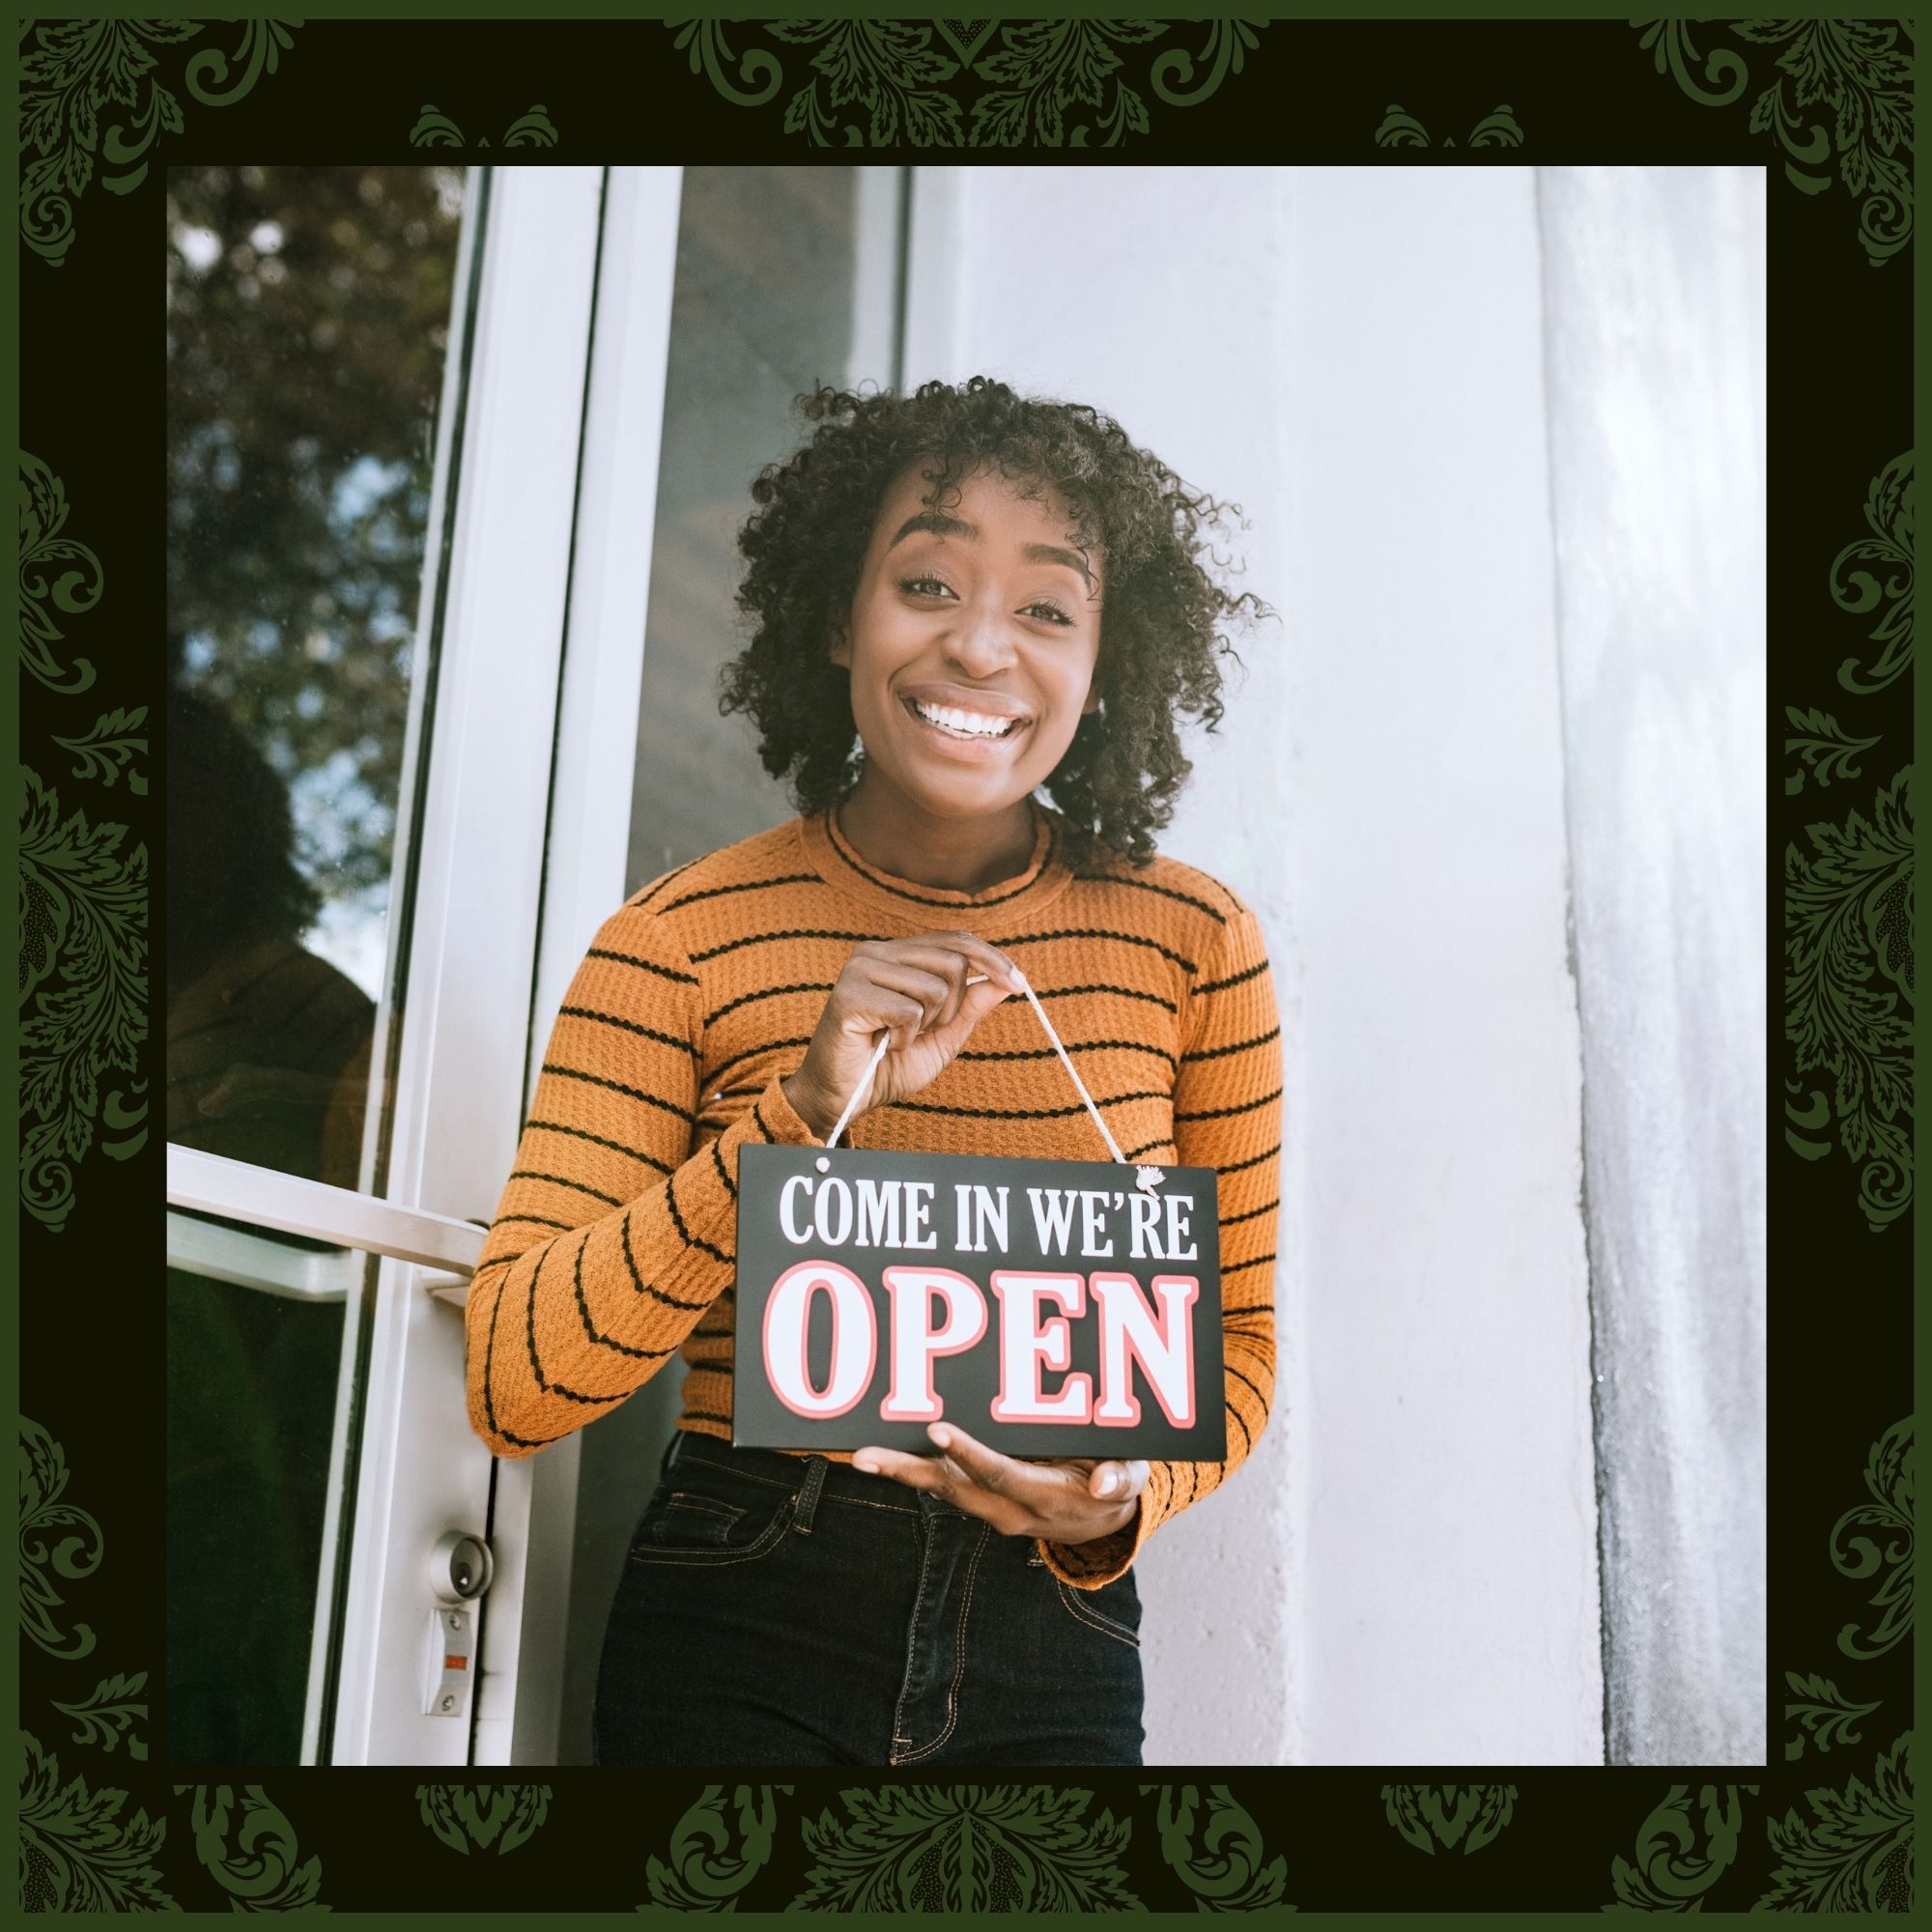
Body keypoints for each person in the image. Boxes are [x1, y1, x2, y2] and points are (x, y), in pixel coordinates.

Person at [463, 375, 1282, 1767]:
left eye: (1045, 607)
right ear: (839, 617)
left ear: (1105, 661)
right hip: (745, 1601)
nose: (978, 647)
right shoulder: (675, 942)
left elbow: (1239, 1349)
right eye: (925, 582)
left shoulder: (1194, 944)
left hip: (1056, 1638)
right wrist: (791, 1116)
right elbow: (516, 1382)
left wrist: (1120, 1503)